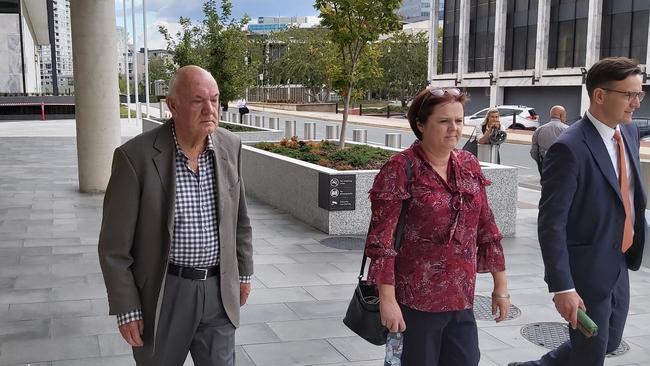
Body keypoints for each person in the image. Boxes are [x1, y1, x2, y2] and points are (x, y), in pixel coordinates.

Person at [98, 65, 254, 366]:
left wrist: (244, 274)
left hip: (218, 290)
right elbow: (113, 248)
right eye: (198, 100)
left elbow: (240, 221)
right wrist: (126, 307)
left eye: (215, 99)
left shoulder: (229, 146)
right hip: (164, 292)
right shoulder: (135, 158)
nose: (210, 109)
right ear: (173, 105)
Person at [510, 57, 646, 366]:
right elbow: (551, 223)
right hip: (586, 269)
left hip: (619, 261)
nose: (637, 103)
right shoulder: (570, 147)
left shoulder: (628, 134)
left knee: (608, 340)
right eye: (629, 94)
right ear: (600, 95)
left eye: (640, 94)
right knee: (590, 355)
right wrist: (563, 287)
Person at [365, 85, 511, 365]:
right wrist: (388, 299)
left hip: (461, 297)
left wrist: (500, 286)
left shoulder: (469, 164)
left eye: (458, 120)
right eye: (444, 121)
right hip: (415, 301)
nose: (453, 129)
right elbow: (381, 242)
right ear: (420, 124)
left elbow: (487, 227)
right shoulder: (400, 169)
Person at [530, 105, 569, 175]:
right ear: (561, 115)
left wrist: (540, 163)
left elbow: (534, 151)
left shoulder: (539, 129)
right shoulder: (568, 130)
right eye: (565, 115)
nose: (566, 118)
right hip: (563, 167)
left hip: (544, 165)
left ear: (551, 115)